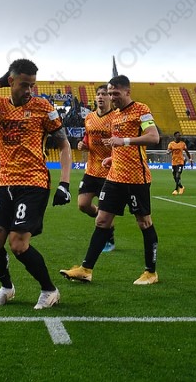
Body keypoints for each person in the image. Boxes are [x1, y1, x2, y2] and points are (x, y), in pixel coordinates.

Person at [0, 58, 71, 310]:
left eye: (32, 85)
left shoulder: (43, 107)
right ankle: (6, 287)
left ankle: (49, 290)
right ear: (11, 81)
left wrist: (65, 183)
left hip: (34, 182)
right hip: (4, 182)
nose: (29, 90)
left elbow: (64, 145)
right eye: (24, 84)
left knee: (18, 244)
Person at [60, 75, 160, 286]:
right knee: (102, 220)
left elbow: (153, 137)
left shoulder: (141, 110)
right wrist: (112, 158)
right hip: (114, 176)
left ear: (127, 92)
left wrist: (124, 141)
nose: (112, 97)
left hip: (136, 177)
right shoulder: (115, 116)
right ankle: (86, 269)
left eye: (115, 93)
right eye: (110, 93)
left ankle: (151, 272)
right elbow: (117, 146)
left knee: (144, 222)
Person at [77, 85, 115, 252]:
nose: (100, 97)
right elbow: (87, 137)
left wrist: (113, 145)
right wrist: (83, 145)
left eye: (104, 94)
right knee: (83, 205)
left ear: (110, 97)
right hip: (91, 170)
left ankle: (108, 235)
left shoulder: (116, 118)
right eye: (98, 94)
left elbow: (121, 141)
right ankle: (105, 219)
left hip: (109, 171)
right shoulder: (89, 117)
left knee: (105, 210)